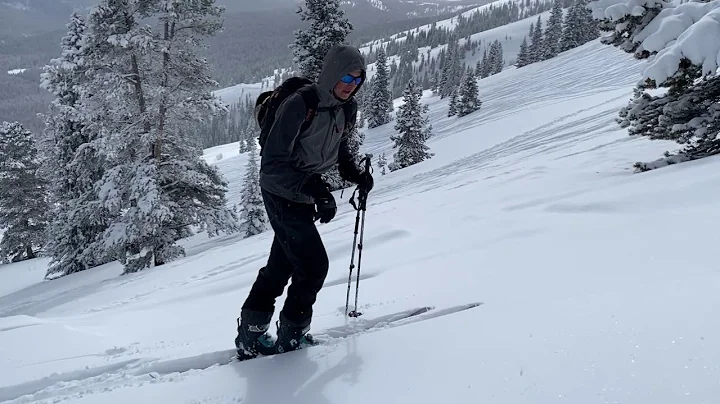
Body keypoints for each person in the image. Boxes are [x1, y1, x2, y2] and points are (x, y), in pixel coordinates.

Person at [235, 44, 374, 359]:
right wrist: (318, 190)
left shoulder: (346, 109)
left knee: (282, 265)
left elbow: (337, 149)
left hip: (302, 191)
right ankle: (292, 338)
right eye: (346, 78)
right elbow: (273, 162)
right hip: (280, 190)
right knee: (313, 266)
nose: (350, 86)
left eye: (357, 81)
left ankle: (251, 336)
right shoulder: (301, 104)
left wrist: (355, 175)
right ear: (331, 75)